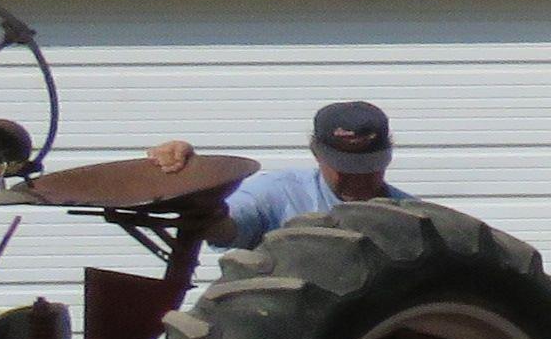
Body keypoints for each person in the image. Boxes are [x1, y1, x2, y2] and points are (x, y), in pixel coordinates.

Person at [146, 101, 405, 245]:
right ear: (316, 153)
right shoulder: (279, 193)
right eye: (345, 168)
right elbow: (225, 229)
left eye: (367, 167)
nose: (358, 178)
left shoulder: (412, 217)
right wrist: (197, 185)